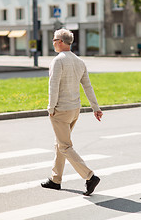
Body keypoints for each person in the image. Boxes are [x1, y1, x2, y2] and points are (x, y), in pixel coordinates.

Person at [41, 29, 103, 196]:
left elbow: (53, 87)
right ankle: (55, 180)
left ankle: (89, 176)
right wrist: (95, 108)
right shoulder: (79, 61)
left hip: (60, 110)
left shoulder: (58, 61)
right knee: (60, 143)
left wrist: (51, 108)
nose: (53, 42)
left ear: (60, 41)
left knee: (65, 146)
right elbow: (87, 86)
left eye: (54, 40)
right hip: (75, 110)